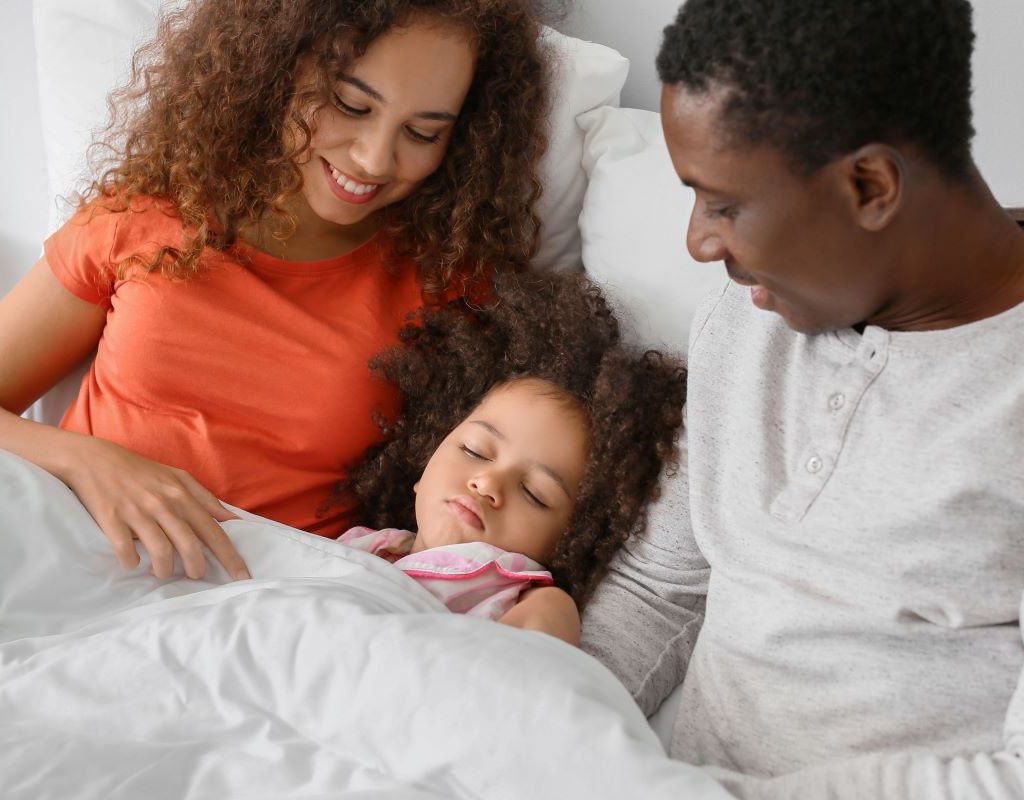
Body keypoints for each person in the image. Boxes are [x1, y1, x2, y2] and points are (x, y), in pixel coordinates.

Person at [580, 0, 1024, 796]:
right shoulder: (758, 316)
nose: (699, 243)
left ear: (870, 185)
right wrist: (544, 721)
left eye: (723, 203)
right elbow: (663, 588)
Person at [0, 0, 551, 584]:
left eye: (422, 132)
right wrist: (92, 462)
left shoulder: (445, 286)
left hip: (264, 610)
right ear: (276, 69)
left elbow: (510, 491)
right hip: (68, 559)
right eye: (350, 105)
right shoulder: (142, 220)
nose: (374, 158)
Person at [336, 273, 687, 644]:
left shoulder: (533, 603)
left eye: (534, 493)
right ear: (426, 461)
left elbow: (512, 685)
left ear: (567, 541)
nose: (487, 484)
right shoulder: (365, 546)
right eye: (474, 451)